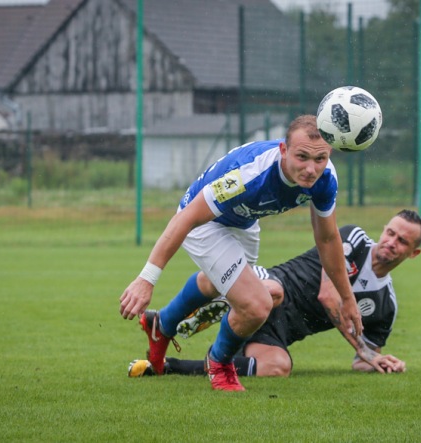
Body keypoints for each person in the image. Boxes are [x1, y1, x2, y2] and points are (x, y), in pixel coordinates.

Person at [119, 115, 363, 391]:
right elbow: (185, 219)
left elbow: (328, 238)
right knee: (257, 304)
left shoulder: (326, 177)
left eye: (319, 159)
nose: (310, 168)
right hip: (204, 223)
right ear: (284, 150)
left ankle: (162, 323)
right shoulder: (250, 175)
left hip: (243, 223)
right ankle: (219, 364)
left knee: (219, 285)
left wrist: (347, 297)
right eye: (302, 157)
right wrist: (147, 279)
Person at [127, 210, 421, 378]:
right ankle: (170, 317)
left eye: (402, 241)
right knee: (267, 291)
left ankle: (169, 368)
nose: (391, 242)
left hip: (279, 331)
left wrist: (379, 359)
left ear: (413, 253)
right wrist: (362, 347)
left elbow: (363, 360)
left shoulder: (386, 306)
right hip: (272, 283)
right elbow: (327, 294)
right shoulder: (354, 239)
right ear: (383, 228)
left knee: (277, 368)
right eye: (390, 233)